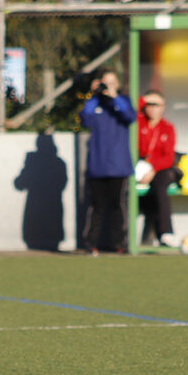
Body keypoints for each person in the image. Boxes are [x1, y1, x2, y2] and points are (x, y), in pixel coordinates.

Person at [80, 68, 135, 255]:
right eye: (105, 82)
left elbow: (130, 116)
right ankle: (90, 243)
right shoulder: (95, 103)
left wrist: (114, 97)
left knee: (118, 206)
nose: (107, 86)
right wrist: (94, 95)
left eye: (112, 82)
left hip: (118, 167)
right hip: (97, 166)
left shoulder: (123, 101)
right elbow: (85, 119)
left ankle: (120, 243)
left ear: (117, 85)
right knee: (96, 207)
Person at [136, 89, 180, 247]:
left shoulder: (167, 127)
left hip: (161, 169)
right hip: (140, 168)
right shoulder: (139, 122)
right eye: (149, 104)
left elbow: (168, 157)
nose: (152, 108)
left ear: (163, 107)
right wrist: (143, 99)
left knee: (160, 185)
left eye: (156, 104)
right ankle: (131, 237)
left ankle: (166, 232)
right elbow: (132, 111)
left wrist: (152, 169)